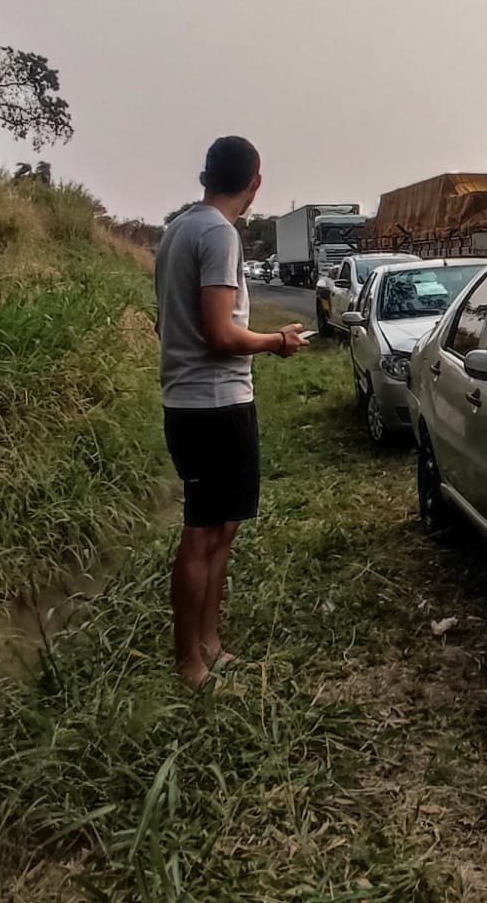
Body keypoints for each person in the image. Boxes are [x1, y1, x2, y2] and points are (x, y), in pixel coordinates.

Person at [154, 136, 307, 688]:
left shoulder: (177, 230)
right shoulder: (218, 234)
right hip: (212, 406)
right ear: (255, 183)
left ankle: (210, 644)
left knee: (222, 528)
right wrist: (276, 342)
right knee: (202, 533)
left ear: (206, 175)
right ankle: (188, 661)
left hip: (197, 402)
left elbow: (169, 321)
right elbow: (219, 333)